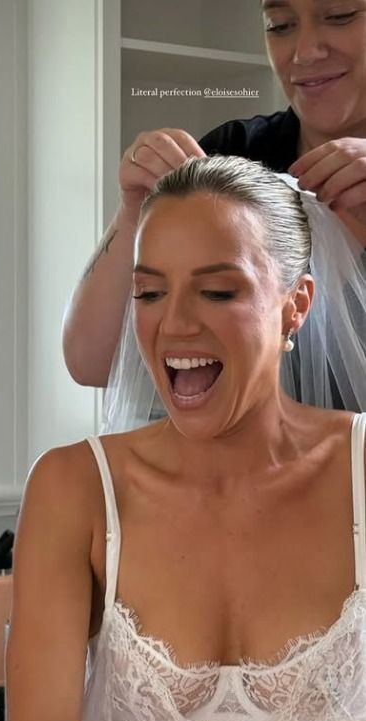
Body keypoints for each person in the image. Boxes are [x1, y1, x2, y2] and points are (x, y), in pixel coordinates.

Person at [0, 156, 366, 721]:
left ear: (296, 306)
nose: (174, 324)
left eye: (218, 291)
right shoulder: (75, 490)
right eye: (149, 293)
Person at [62, 0, 366, 415]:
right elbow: (92, 363)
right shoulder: (232, 155)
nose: (305, 52)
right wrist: (133, 210)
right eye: (279, 25)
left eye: (340, 16)